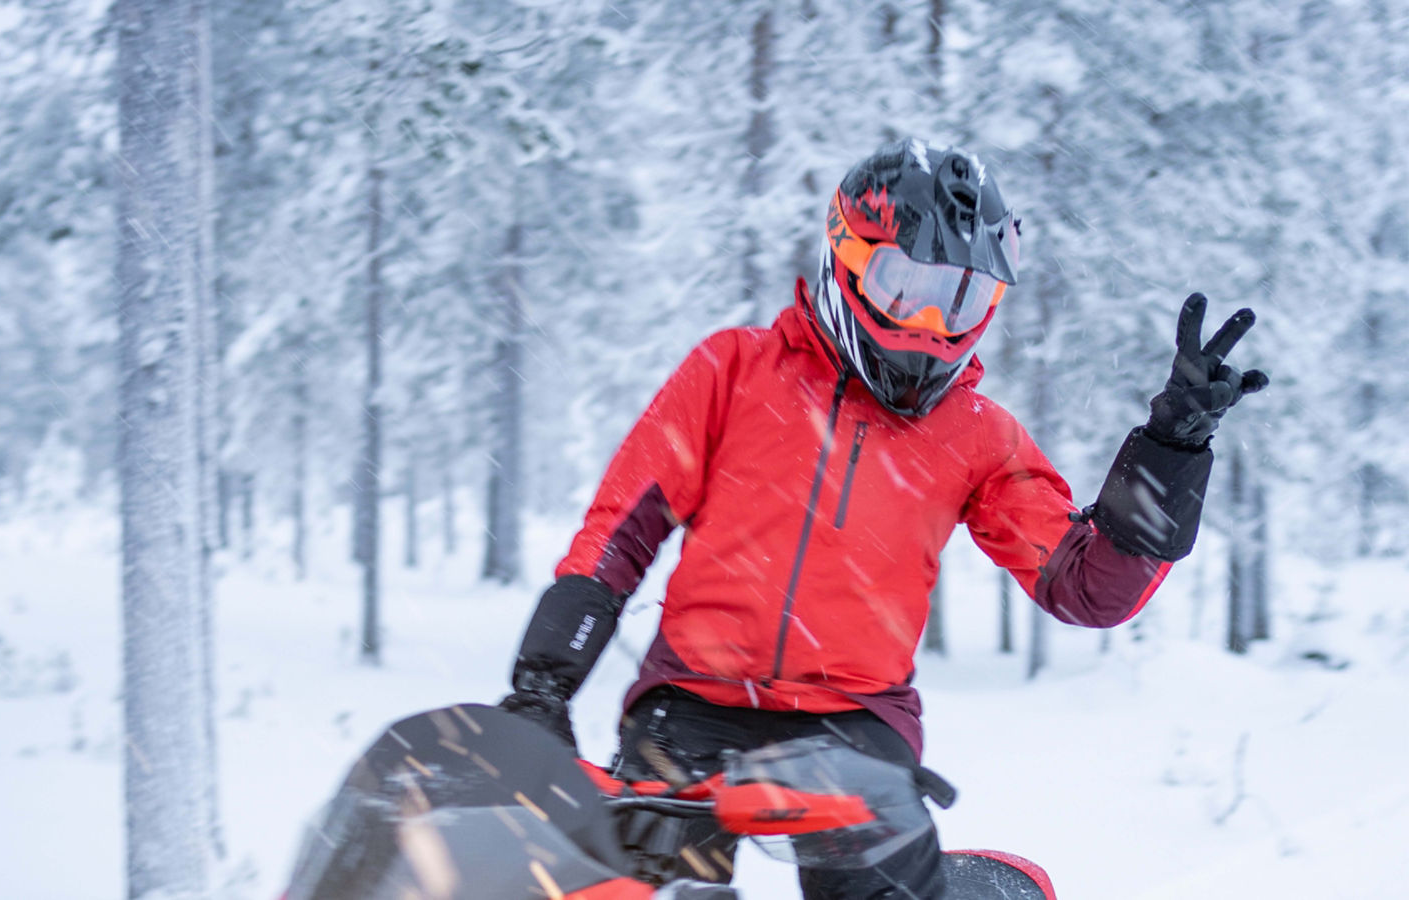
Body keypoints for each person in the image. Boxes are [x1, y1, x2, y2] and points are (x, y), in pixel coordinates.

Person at [498, 138, 1267, 899]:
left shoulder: (978, 435)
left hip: (854, 721)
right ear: (848, 257)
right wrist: (542, 686)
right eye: (908, 286)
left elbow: (1088, 589)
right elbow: (616, 538)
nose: (932, 324)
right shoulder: (732, 372)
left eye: (961, 297)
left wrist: (1170, 450)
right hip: (691, 702)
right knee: (634, 888)